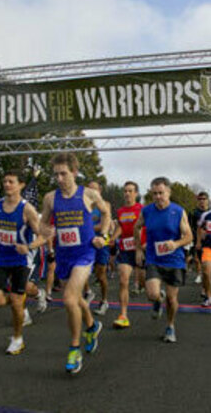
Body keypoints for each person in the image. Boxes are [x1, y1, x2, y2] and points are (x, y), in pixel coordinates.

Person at [38, 153, 110, 374]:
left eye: (64, 173)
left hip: (85, 253)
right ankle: (92, 326)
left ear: (74, 172)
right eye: (56, 174)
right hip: (64, 255)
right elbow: (42, 224)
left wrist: (104, 235)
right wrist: (46, 231)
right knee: (76, 298)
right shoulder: (50, 198)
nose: (59, 178)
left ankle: (74, 348)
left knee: (69, 299)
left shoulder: (88, 194)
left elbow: (107, 213)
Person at [0, 170, 44, 355]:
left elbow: (43, 236)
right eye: (5, 181)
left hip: (20, 259)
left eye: (11, 181)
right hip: (1, 257)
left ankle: (17, 339)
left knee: (18, 304)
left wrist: (28, 246)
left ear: (21, 185)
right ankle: (18, 297)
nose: (7, 184)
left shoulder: (27, 209)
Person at [133, 177, 193, 343]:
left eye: (161, 193)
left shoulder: (178, 211)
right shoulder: (147, 211)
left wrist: (175, 243)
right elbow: (136, 227)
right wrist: (138, 248)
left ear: (168, 192)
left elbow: (189, 236)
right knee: (152, 293)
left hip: (174, 260)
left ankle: (170, 326)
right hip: (154, 258)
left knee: (172, 299)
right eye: (154, 194)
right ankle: (157, 301)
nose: (158, 197)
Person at [111, 181, 145, 329]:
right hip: (125, 249)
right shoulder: (120, 211)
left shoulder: (142, 209)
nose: (127, 193)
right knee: (123, 280)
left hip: (141, 249)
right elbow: (120, 228)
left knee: (146, 286)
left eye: (130, 191)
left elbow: (145, 228)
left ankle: (157, 298)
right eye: (125, 191)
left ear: (136, 194)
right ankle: (123, 315)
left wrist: (140, 247)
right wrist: (112, 238)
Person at [86, 181, 111, 316]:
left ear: (100, 190)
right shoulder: (84, 205)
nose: (92, 192)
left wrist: (85, 228)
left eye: (94, 190)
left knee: (100, 274)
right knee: (80, 270)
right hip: (87, 242)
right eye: (89, 190)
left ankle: (104, 300)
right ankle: (88, 293)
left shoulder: (105, 205)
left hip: (101, 242)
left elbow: (102, 225)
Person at [188, 192, 209, 285]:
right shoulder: (193, 213)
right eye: (200, 199)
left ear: (207, 200)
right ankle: (199, 274)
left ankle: (206, 274)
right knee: (196, 258)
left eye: (204, 199)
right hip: (196, 238)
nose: (202, 201)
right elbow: (189, 226)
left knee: (206, 260)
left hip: (209, 239)